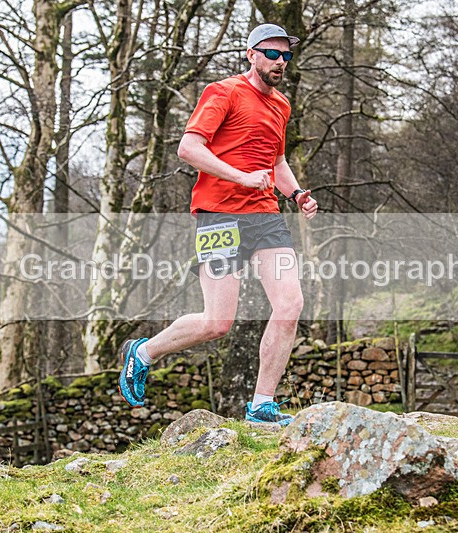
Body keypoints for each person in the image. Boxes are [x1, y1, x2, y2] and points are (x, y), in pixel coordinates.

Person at [118, 23, 317, 426]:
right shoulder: (223, 92)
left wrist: (296, 194)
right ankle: (143, 352)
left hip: (265, 217)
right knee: (217, 323)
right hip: (219, 216)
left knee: (290, 305)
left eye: (286, 56)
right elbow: (189, 147)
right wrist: (240, 177)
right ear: (251, 54)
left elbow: (276, 162)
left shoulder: (281, 105)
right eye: (272, 54)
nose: (280, 62)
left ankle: (262, 406)